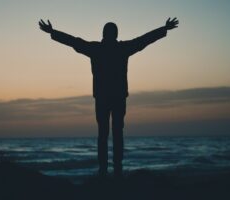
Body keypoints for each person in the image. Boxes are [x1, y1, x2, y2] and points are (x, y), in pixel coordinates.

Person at [39, 18, 179, 177]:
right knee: (117, 133)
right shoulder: (122, 48)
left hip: (103, 97)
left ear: (103, 34)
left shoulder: (96, 49)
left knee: (103, 134)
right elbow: (144, 40)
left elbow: (74, 42)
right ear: (115, 34)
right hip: (117, 97)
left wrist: (53, 32)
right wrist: (163, 29)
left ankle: (104, 170)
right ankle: (116, 169)